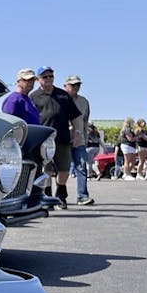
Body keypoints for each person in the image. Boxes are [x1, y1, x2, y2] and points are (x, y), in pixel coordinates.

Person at [29, 66, 81, 208]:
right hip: (42, 140)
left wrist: (77, 133)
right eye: (45, 77)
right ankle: (47, 197)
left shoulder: (63, 95)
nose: (48, 79)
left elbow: (75, 117)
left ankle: (61, 195)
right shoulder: (33, 96)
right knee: (46, 170)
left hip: (62, 138)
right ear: (38, 79)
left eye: (51, 76)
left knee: (64, 168)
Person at [63, 74, 94, 204]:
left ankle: (82, 195)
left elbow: (85, 122)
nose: (76, 87)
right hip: (62, 139)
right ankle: (59, 197)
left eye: (78, 85)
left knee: (81, 167)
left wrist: (84, 139)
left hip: (79, 140)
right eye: (73, 85)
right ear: (65, 85)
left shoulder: (84, 101)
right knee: (61, 169)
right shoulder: (59, 99)